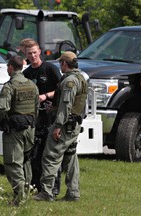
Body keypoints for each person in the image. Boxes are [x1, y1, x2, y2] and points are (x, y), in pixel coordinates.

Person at [33, 51, 88, 202]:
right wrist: (54, 108)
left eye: (60, 63)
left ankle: (46, 193)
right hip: (73, 125)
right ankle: (73, 193)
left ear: (64, 63)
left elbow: (66, 105)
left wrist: (57, 126)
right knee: (70, 158)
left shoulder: (69, 81)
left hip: (65, 126)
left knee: (50, 157)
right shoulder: (81, 78)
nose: (59, 66)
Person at [0, 55, 39, 205]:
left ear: (11, 68)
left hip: (14, 130)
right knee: (25, 160)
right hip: (30, 127)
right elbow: (36, 108)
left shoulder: (10, 86)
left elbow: (2, 108)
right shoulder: (32, 85)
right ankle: (26, 190)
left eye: (8, 67)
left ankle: (19, 197)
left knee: (13, 163)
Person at [23, 40, 61, 193]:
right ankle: (37, 186)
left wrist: (46, 96)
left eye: (34, 52)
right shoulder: (27, 73)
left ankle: (54, 188)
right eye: (29, 53)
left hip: (50, 118)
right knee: (34, 155)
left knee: (51, 155)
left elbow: (61, 89)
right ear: (25, 55)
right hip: (35, 119)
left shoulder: (50, 69)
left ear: (39, 51)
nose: (32, 56)